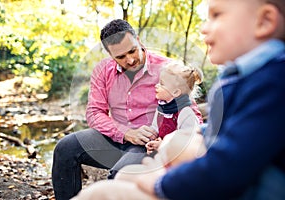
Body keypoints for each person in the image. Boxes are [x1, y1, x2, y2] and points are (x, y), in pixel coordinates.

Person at [72, 0, 285, 199]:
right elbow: (237, 132)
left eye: (216, 15)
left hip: (235, 185)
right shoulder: (245, 79)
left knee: (101, 192)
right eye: (120, 56)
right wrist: (128, 133)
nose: (203, 27)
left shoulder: (271, 84)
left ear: (265, 21)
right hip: (129, 139)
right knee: (94, 161)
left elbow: (228, 163)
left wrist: (163, 181)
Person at [51, 19, 203, 200]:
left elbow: (192, 114)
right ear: (109, 54)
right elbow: (94, 112)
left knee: (119, 176)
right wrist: (125, 133)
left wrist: (167, 143)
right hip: (114, 137)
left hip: (147, 145)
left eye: (132, 51)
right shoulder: (102, 71)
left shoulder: (168, 69)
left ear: (138, 40)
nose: (130, 60)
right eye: (121, 57)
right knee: (65, 148)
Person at [115, 61, 206, 181]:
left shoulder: (185, 113)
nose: (156, 86)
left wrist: (162, 145)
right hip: (164, 156)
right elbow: (156, 128)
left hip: (180, 164)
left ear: (175, 92)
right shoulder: (162, 107)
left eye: (162, 84)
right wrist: (151, 141)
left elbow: (187, 145)